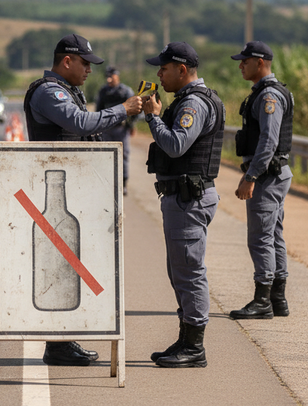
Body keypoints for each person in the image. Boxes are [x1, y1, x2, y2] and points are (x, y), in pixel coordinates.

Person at [23, 33, 143, 367]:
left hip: (68, 189)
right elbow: (78, 122)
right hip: (54, 191)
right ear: (67, 61)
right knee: (60, 268)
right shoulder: (50, 92)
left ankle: (63, 340)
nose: (90, 70)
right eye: (85, 63)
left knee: (68, 267)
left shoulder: (68, 91)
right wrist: (123, 110)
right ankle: (57, 344)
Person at [142, 42, 225, 368]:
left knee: (189, 273)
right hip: (184, 196)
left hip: (189, 198)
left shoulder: (194, 104)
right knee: (179, 272)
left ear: (182, 69)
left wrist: (153, 118)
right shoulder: (189, 101)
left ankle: (195, 347)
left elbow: (176, 145)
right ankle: (185, 338)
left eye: (163, 68)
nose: (159, 74)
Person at [229, 41, 293, 320]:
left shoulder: (269, 96)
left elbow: (268, 140)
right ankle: (278, 299)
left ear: (260, 62)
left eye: (245, 61)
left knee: (260, 239)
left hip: (267, 176)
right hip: (276, 174)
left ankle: (262, 300)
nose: (241, 65)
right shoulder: (266, 92)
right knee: (273, 236)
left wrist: (251, 176)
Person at [95, 65, 138, 195]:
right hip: (107, 130)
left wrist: (131, 126)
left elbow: (135, 108)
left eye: (111, 76)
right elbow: (98, 110)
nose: (109, 80)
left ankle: (123, 184)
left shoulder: (126, 91)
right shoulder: (103, 91)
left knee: (123, 155)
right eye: (107, 77)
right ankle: (108, 183)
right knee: (107, 156)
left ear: (117, 76)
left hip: (121, 129)